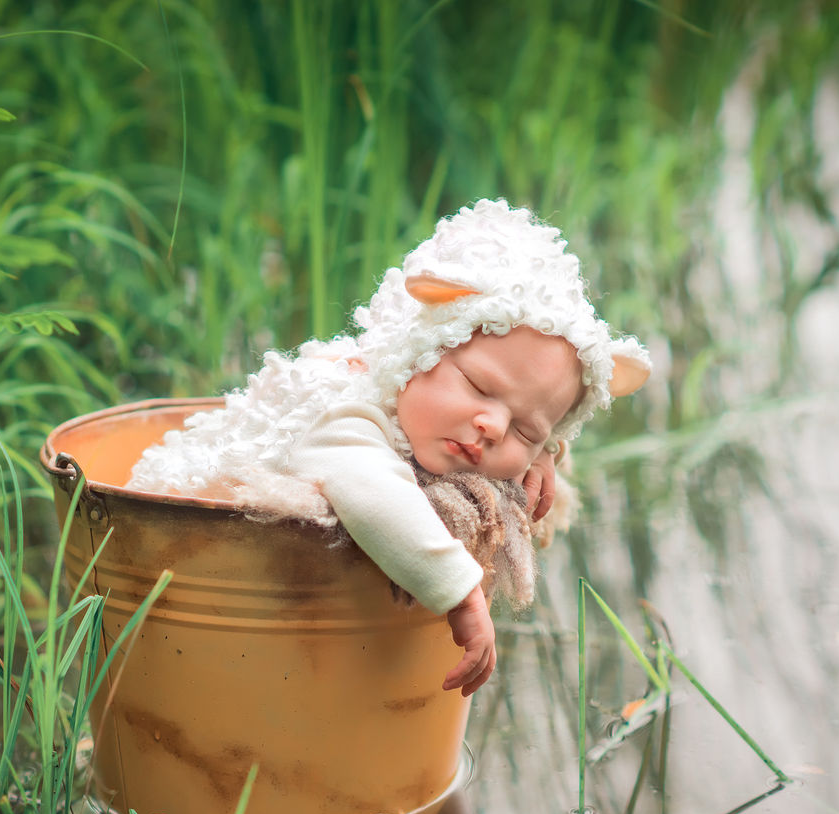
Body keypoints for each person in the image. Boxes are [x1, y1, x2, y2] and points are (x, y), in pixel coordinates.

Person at [129, 199, 650, 696]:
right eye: (478, 387)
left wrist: (542, 455)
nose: (492, 425)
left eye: (525, 429)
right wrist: (460, 590)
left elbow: (525, 414)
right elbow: (371, 490)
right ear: (418, 351)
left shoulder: (441, 411)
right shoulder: (345, 409)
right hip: (189, 584)